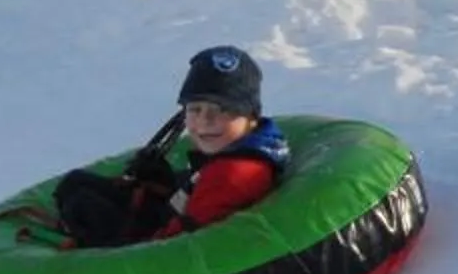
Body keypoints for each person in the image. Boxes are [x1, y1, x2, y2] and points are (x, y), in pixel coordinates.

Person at [50, 46, 290, 249]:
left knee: (81, 205)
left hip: (156, 244)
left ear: (252, 116)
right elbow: (198, 193)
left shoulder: (234, 174)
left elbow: (180, 244)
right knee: (76, 184)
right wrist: (164, 186)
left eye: (222, 110)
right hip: (169, 214)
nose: (205, 121)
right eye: (195, 109)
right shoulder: (245, 149)